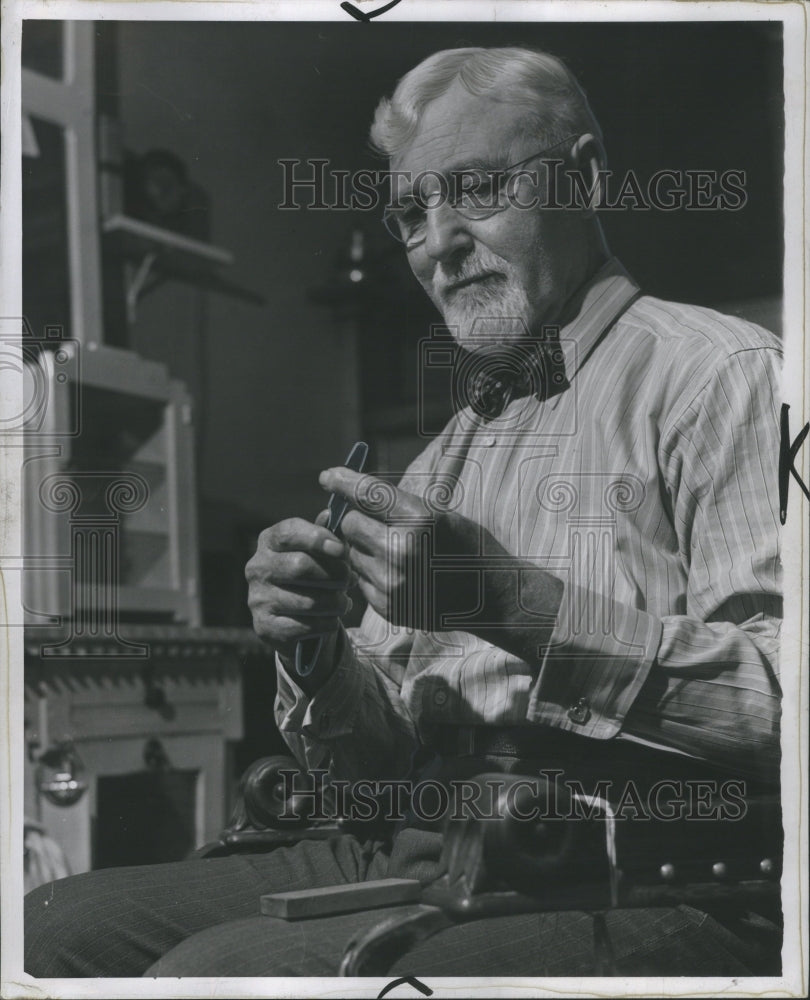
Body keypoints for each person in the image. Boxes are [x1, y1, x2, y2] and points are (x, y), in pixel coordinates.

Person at [25, 46, 782, 978]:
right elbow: (371, 773)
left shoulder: (722, 375)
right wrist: (317, 651)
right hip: (428, 839)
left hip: (652, 865)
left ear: (584, 177)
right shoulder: (439, 457)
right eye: (413, 211)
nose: (439, 242)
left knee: (209, 978)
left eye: (475, 189)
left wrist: (505, 602)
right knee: (43, 926)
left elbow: (789, 708)